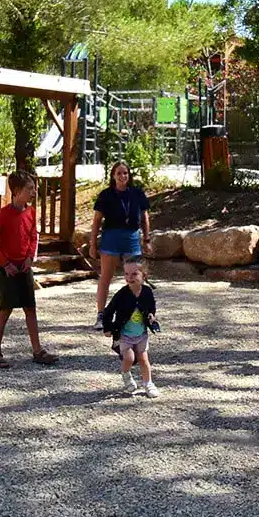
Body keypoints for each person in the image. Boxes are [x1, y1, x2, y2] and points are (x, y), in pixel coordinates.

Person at [0, 172, 55, 368]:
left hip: (24, 266)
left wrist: (30, 257)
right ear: (16, 191)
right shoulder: (3, 214)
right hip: (7, 268)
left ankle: (38, 350)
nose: (33, 192)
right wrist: (5, 263)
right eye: (29, 189)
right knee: (5, 309)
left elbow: (33, 236)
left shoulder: (31, 212)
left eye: (33, 188)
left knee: (30, 308)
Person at [89, 161, 151, 319]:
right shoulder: (105, 195)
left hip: (131, 237)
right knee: (106, 277)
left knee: (135, 276)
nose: (122, 176)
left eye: (125, 173)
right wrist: (92, 244)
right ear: (113, 176)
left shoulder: (137, 194)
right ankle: (101, 315)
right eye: (119, 173)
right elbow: (96, 220)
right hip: (111, 238)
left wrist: (147, 239)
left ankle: (138, 313)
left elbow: (144, 217)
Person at [101, 258, 160, 397]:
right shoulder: (122, 294)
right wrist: (107, 328)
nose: (129, 278)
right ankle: (126, 375)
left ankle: (148, 383)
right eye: (126, 274)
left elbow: (151, 306)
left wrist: (152, 315)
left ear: (144, 275)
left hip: (141, 334)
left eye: (134, 274)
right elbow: (108, 311)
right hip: (125, 335)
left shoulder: (147, 292)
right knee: (129, 358)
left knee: (144, 359)